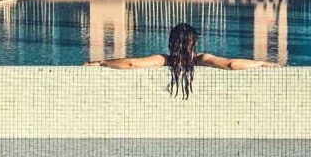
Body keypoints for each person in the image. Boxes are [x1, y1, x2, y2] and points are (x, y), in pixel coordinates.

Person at [82, 23, 279, 99]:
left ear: (171, 42)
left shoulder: (164, 60)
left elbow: (132, 63)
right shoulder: (202, 59)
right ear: (194, 43)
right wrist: (261, 63)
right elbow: (232, 64)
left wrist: (102, 62)